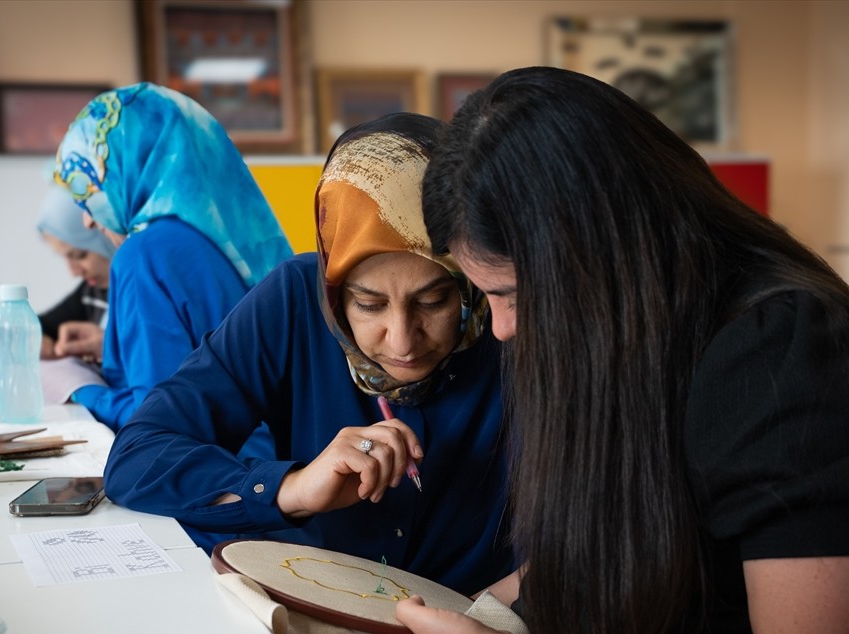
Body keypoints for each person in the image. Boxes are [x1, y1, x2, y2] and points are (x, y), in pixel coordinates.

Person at [364, 67, 849, 634]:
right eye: (488, 296)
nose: (502, 327)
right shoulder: (634, 323)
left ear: (602, 250)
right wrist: (443, 633)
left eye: (514, 295)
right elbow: (589, 550)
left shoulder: (784, 347)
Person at [104, 113, 514, 598]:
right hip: (320, 621)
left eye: (434, 301)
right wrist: (292, 489)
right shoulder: (295, 298)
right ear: (333, 288)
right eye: (368, 304)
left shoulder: (509, 319)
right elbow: (138, 456)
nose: (402, 341)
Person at [53, 82, 291, 430]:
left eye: (87, 192)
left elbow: (159, 424)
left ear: (126, 169)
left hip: (224, 473)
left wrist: (76, 389)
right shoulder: (226, 236)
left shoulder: (144, 254)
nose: (88, 220)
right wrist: (109, 349)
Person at [34, 184, 115, 362]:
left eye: (79, 255)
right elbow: (33, 325)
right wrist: (29, 341)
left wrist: (110, 349)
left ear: (106, 234)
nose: (74, 272)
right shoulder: (90, 292)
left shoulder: (146, 292)